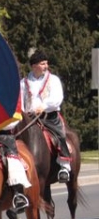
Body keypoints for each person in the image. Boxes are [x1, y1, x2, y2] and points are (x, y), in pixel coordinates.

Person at [21, 50, 71, 183]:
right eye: (42, 64)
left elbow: (57, 98)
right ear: (34, 66)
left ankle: (64, 166)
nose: (46, 66)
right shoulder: (24, 82)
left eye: (46, 63)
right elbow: (20, 100)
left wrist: (44, 106)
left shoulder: (53, 80)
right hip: (30, 119)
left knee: (59, 135)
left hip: (49, 116)